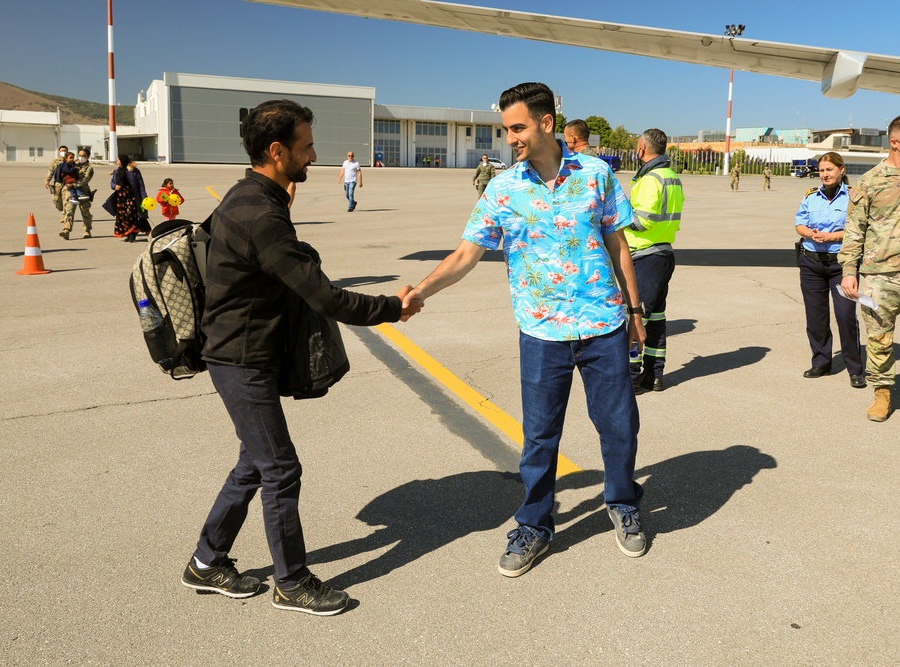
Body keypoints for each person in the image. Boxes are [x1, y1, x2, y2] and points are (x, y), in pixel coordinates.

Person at [182, 98, 421, 616]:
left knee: (255, 461)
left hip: (244, 352)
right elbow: (325, 297)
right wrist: (393, 307)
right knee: (281, 469)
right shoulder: (260, 213)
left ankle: (205, 562)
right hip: (241, 358)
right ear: (276, 150)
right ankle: (291, 581)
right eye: (306, 146)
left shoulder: (249, 195)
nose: (314, 155)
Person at [402, 82, 648, 577]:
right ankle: (535, 524)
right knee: (539, 436)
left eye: (517, 127)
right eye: (506, 129)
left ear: (546, 124)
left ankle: (622, 502)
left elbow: (618, 245)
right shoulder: (503, 188)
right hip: (541, 332)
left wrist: (636, 311)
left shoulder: (597, 174)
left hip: (603, 323)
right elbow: (467, 253)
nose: (510, 138)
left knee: (619, 426)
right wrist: (420, 292)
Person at [840, 114, 900, 422]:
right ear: (894, 142)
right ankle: (882, 392)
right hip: (880, 274)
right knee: (879, 336)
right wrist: (849, 269)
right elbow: (854, 229)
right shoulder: (870, 181)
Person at [794, 152, 864, 389]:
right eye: (821, 170)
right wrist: (809, 233)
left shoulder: (853, 198)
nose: (824, 174)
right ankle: (822, 362)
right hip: (811, 262)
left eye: (829, 170)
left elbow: (859, 229)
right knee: (815, 317)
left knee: (845, 316)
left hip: (840, 264)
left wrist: (833, 236)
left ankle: (855, 368)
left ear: (841, 170)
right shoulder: (811, 196)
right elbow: (799, 223)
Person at [626, 128, 684, 394]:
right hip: (663, 253)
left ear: (642, 148)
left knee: (637, 318)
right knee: (657, 318)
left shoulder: (651, 179)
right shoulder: (671, 176)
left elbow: (643, 220)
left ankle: (631, 376)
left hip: (645, 255)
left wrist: (615, 222)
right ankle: (655, 374)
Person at [61, 148, 95, 240]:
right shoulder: (72, 164)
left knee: (85, 212)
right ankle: (66, 230)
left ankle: (87, 230)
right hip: (71, 193)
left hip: (83, 192)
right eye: (79, 155)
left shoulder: (89, 168)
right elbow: (64, 172)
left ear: (87, 157)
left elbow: (85, 180)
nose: (81, 157)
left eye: (83, 156)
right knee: (69, 211)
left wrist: (72, 184)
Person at [110, 155, 143, 242]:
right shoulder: (116, 171)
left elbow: (140, 184)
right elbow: (112, 182)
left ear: (122, 161)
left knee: (130, 215)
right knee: (122, 216)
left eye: (118, 160)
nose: (116, 161)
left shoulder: (134, 171)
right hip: (120, 197)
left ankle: (133, 234)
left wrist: (143, 196)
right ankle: (127, 234)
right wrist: (114, 186)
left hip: (131, 196)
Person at [44, 145, 68, 212]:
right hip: (58, 183)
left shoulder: (69, 160)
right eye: (62, 151)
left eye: (65, 151)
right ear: (59, 152)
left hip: (67, 183)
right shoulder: (55, 161)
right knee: (56, 199)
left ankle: (65, 214)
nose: (63, 152)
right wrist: (47, 180)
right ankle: (62, 210)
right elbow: (50, 171)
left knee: (66, 199)